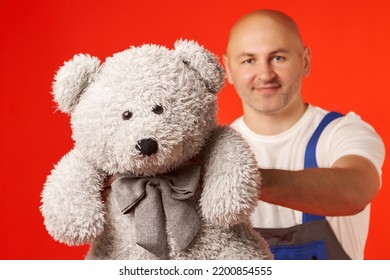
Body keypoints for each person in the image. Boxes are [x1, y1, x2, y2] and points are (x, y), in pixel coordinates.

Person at [223, 9, 385, 259]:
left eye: (278, 58)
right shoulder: (214, 149)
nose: (265, 75)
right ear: (228, 70)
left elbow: (356, 191)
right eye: (249, 60)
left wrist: (235, 180)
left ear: (305, 61)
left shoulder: (341, 132)